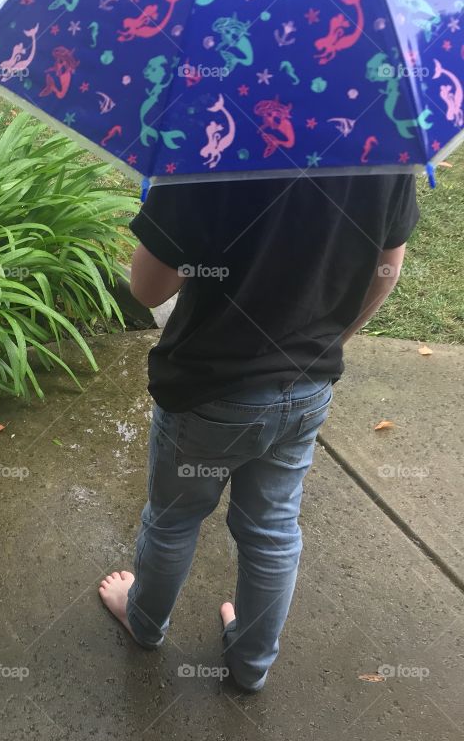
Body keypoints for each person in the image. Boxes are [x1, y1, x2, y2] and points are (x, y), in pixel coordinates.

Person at [98, 171, 419, 691]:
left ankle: (145, 620)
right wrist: (325, 347)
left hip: (208, 392)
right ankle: (250, 662)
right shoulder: (384, 149)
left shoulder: (208, 149)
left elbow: (147, 287)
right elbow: (387, 270)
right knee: (272, 530)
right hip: (307, 387)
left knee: (174, 519)